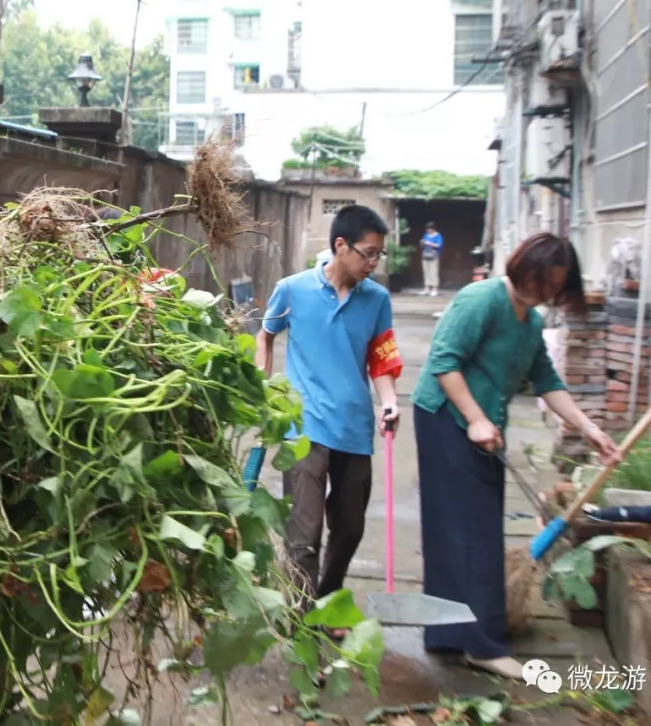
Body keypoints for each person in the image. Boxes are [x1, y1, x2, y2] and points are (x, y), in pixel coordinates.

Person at [410, 232, 622, 680]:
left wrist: (589, 428)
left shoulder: (529, 324)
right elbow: (443, 362)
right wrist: (475, 418)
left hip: (483, 427)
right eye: (541, 280)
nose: (546, 292)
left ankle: (449, 635)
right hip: (445, 418)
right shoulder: (482, 298)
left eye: (555, 287)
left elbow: (547, 381)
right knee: (470, 532)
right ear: (523, 266)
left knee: (469, 529)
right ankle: (482, 645)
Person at [255, 204, 403, 638]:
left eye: (379, 255)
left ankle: (325, 598)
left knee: (350, 527)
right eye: (368, 253)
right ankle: (303, 624)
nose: (373, 263)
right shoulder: (293, 290)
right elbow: (265, 335)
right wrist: (264, 389)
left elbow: (381, 358)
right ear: (341, 246)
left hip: (354, 427)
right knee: (304, 535)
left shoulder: (377, 299)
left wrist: (389, 402)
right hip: (304, 426)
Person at [420, 222, 443, 297]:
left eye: (430, 229)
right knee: (426, 271)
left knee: (433, 271)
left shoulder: (438, 235)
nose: (428, 230)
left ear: (433, 229)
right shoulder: (426, 235)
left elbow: (439, 245)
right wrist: (423, 243)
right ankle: (426, 288)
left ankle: (434, 288)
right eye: (427, 229)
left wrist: (429, 243)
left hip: (434, 256)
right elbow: (423, 244)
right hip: (425, 255)